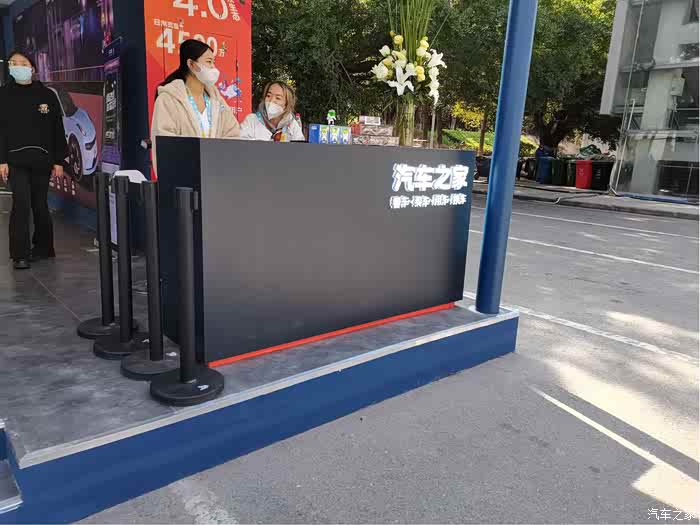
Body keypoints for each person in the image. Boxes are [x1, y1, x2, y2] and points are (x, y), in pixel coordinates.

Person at [0, 51, 67, 270]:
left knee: (40, 204)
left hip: (42, 160)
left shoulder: (47, 95)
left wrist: (59, 161)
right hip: (15, 160)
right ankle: (20, 254)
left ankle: (44, 247)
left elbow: (57, 128)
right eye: (13, 63)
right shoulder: (3, 94)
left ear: (32, 68)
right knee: (21, 202)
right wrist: (1, 160)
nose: (17, 66)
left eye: (22, 63)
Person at [151, 39, 240, 175]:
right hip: (183, 180)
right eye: (209, 62)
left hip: (216, 177)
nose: (213, 68)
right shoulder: (168, 99)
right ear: (191, 64)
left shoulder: (217, 101)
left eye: (213, 62)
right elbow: (164, 145)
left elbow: (233, 135)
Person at [240, 81, 305, 142]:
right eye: (268, 96)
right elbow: (241, 144)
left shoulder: (292, 125)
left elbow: (300, 147)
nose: (271, 101)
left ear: (286, 105)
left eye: (278, 98)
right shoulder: (252, 120)